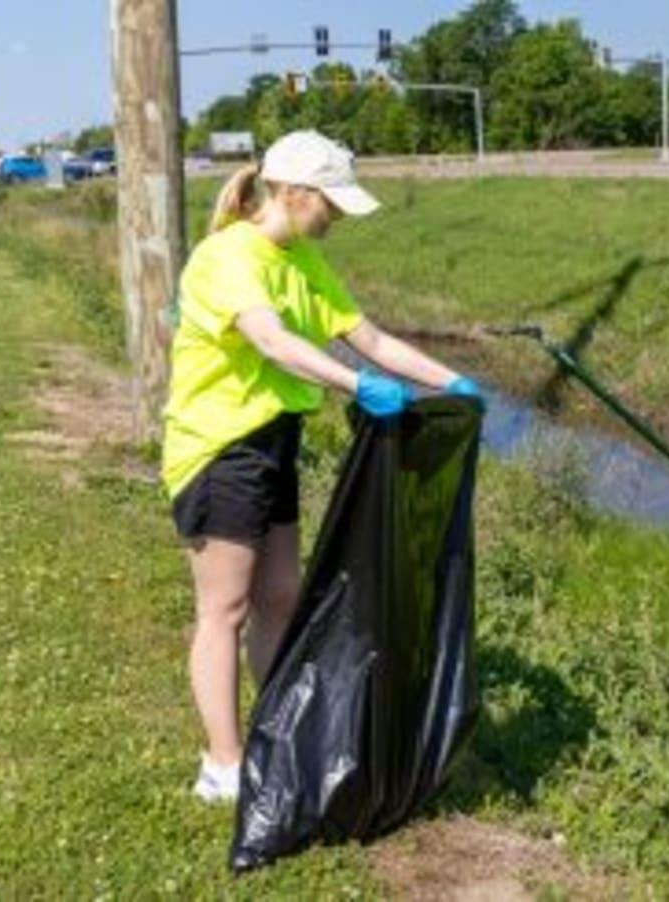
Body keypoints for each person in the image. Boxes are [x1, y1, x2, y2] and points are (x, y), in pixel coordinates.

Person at [161, 129, 483, 804]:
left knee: (280, 597)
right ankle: (223, 764)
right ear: (294, 192)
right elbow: (273, 342)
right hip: (220, 448)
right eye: (330, 203)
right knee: (224, 607)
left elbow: (369, 339)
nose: (336, 217)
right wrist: (353, 386)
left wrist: (451, 380)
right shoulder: (227, 257)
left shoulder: (303, 258)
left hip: (273, 441)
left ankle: (279, 732)